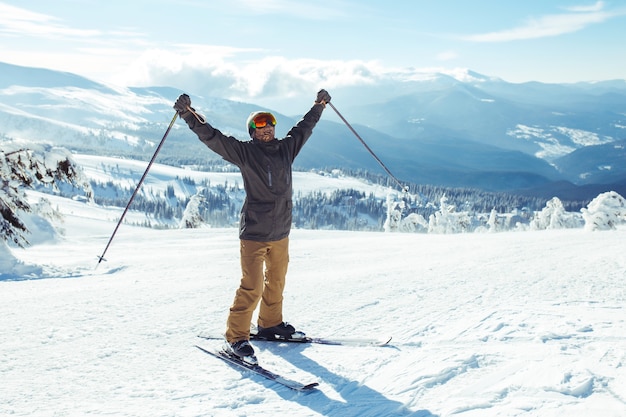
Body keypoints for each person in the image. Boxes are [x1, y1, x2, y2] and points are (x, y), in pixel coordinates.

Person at [174, 89, 331, 363]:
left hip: (281, 231)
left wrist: (319, 106)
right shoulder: (245, 153)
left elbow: (305, 126)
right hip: (255, 234)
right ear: (252, 132)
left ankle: (270, 324)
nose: (266, 129)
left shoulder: (287, 148)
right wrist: (188, 115)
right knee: (252, 286)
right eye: (259, 126)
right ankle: (236, 337)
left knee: (277, 282)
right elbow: (214, 138)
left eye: (269, 123)